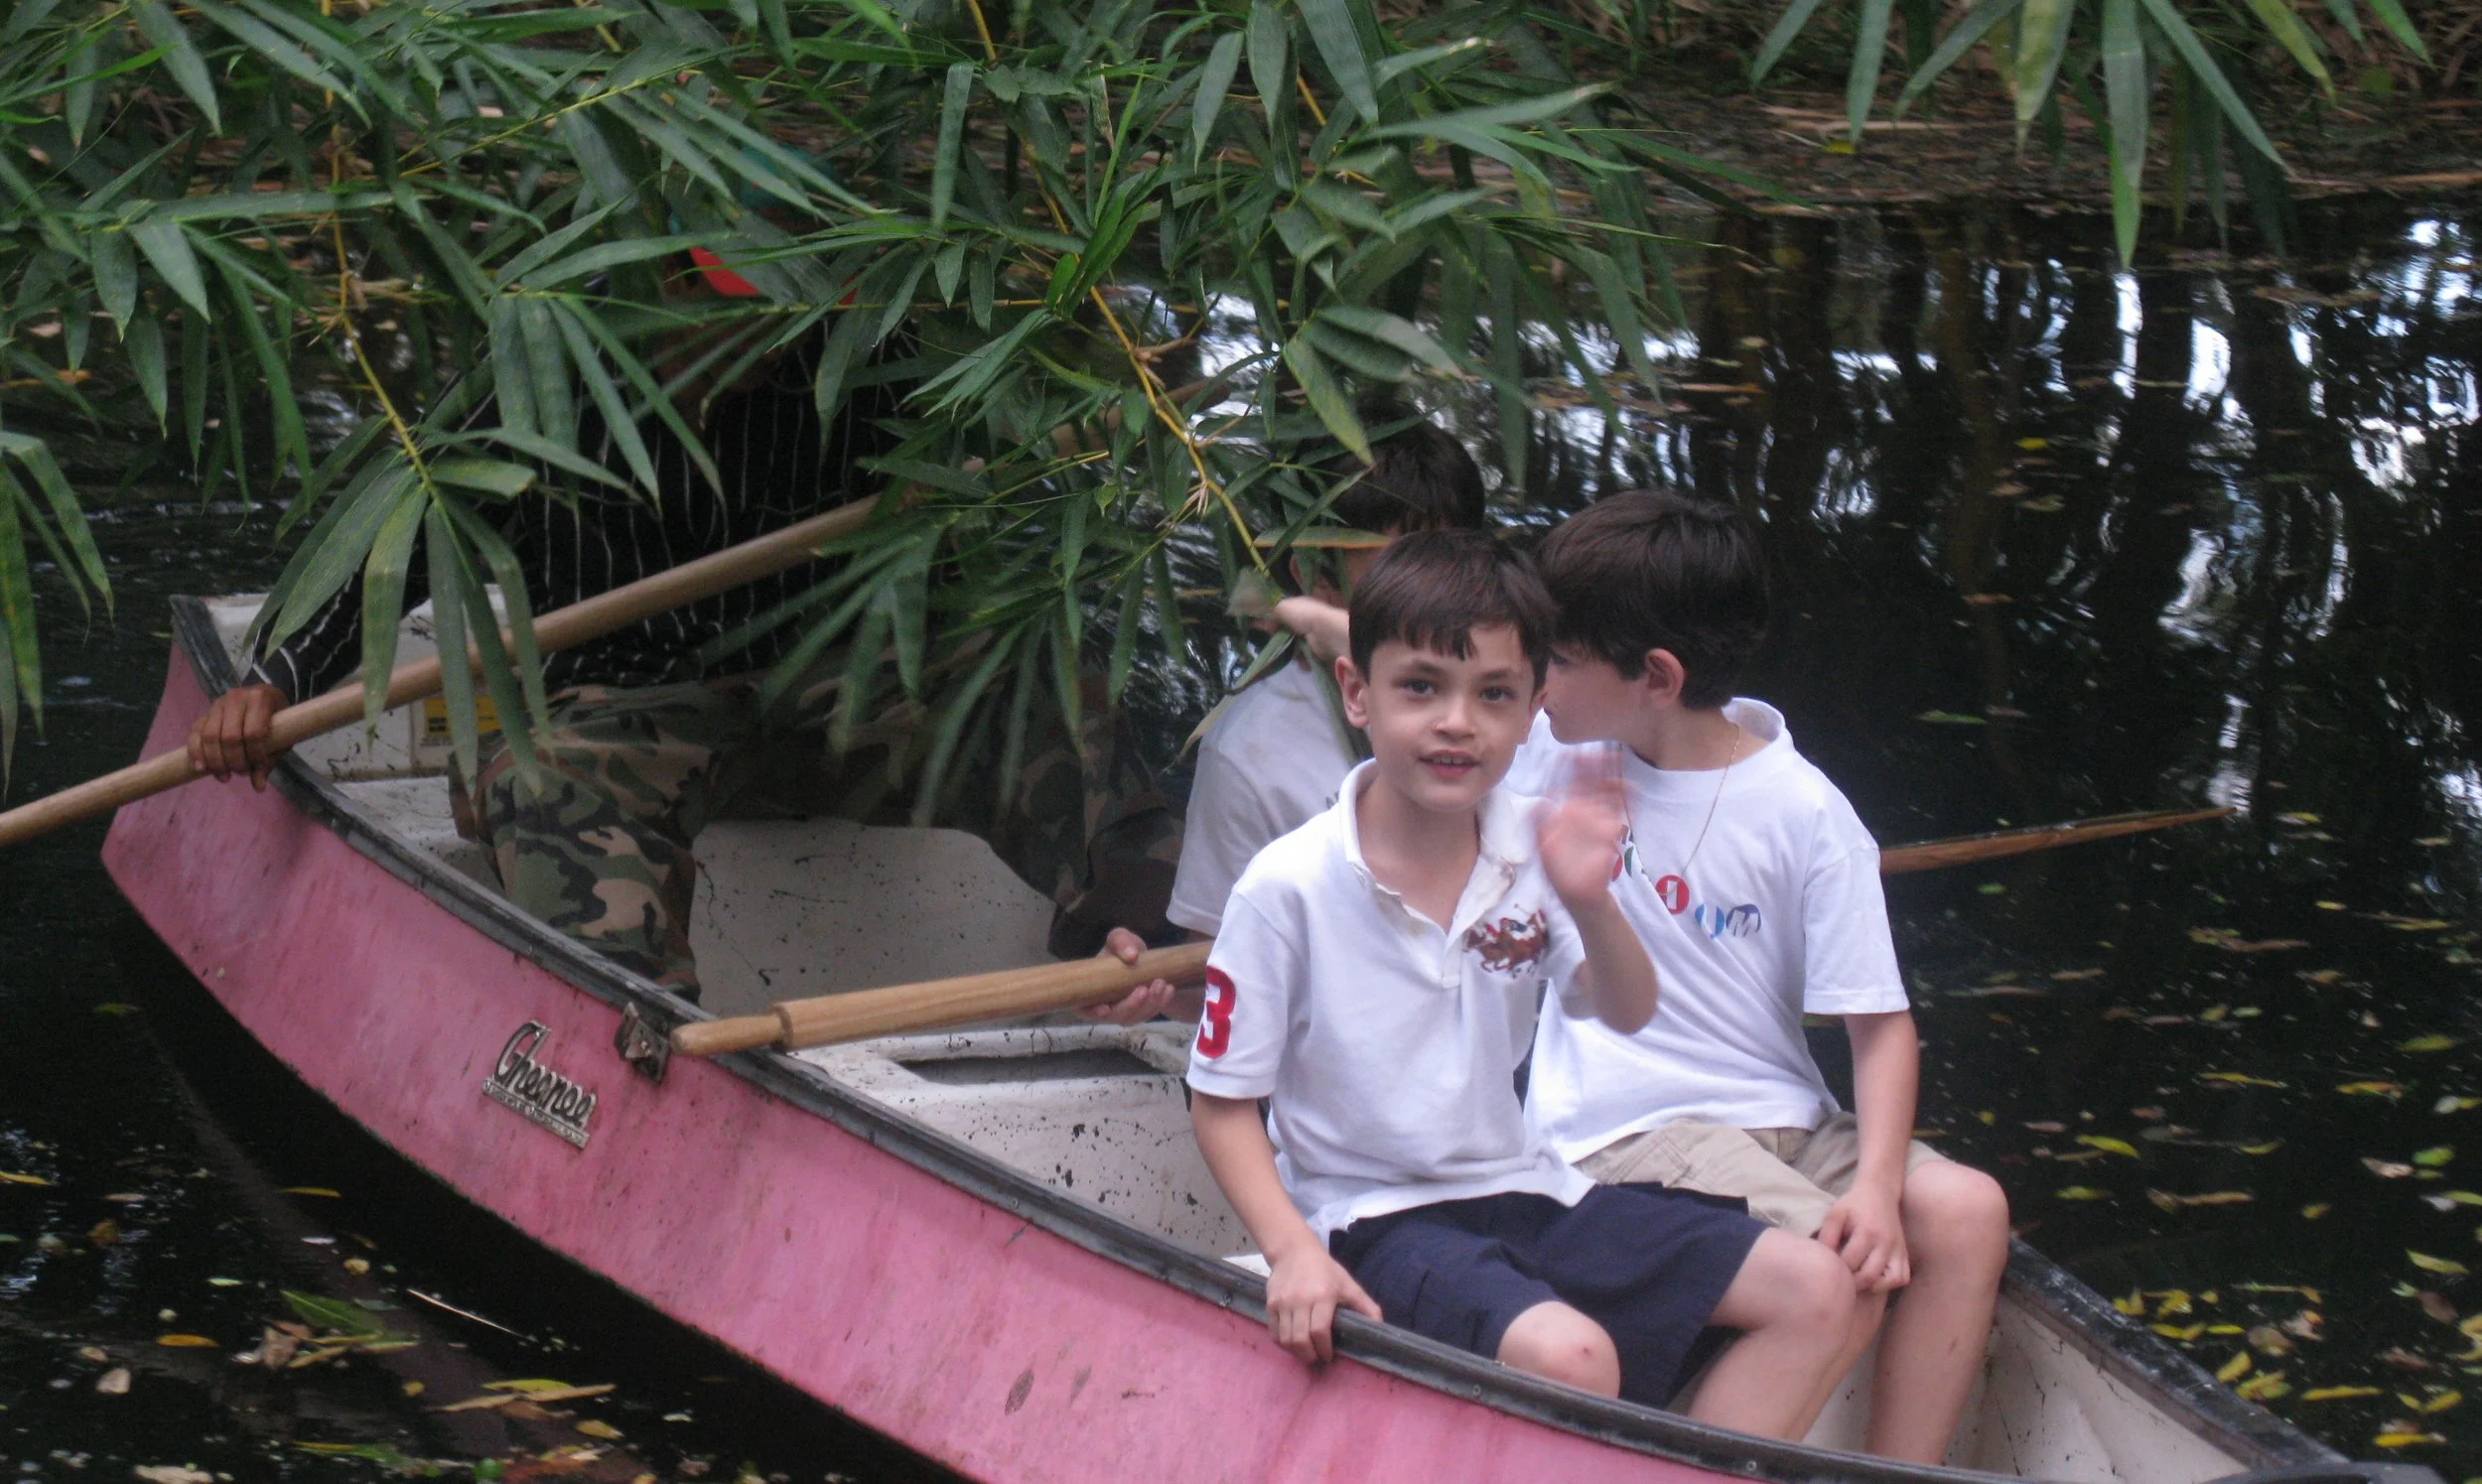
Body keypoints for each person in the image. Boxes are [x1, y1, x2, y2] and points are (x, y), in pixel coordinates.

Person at [188, 266, 1175, 999]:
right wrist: (274, 680)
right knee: (542, 781)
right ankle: (636, 1030)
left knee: (1046, 687)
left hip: (829, 687)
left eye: (785, 317)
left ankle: (1152, 958)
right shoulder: (553, 362)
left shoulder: (865, 356)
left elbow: (964, 576)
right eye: (742, 312)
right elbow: (402, 527)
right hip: (623, 699)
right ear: (669, 283)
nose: (769, 342)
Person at [1184, 530, 1865, 1433]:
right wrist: (1293, 1251)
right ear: (1357, 691)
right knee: (1573, 1355)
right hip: (1370, 1214)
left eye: (1494, 694)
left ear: (1534, 706)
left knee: (1819, 1287)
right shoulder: (1287, 886)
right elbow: (1221, 1099)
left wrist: (1591, 901)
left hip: (1529, 1187)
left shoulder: (1533, 843)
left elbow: (1628, 1009)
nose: (1457, 721)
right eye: (1421, 686)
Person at [1514, 491, 2011, 1462]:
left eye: (1557, 659)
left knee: (1966, 1209)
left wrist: (1878, 1186)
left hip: (1782, 1119)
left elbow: (1880, 1027)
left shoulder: (1804, 810)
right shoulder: (1554, 752)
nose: (1534, 682)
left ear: (1657, 676)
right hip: (1631, 1127)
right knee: (1837, 1266)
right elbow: (1436, 689)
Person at [1080, 411, 1484, 1019]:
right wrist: (1152, 991)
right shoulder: (1250, 754)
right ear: (1313, 580)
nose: (1433, 599)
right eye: (1398, 574)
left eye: (1449, 568)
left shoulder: (1523, 707)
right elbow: (1220, 976)